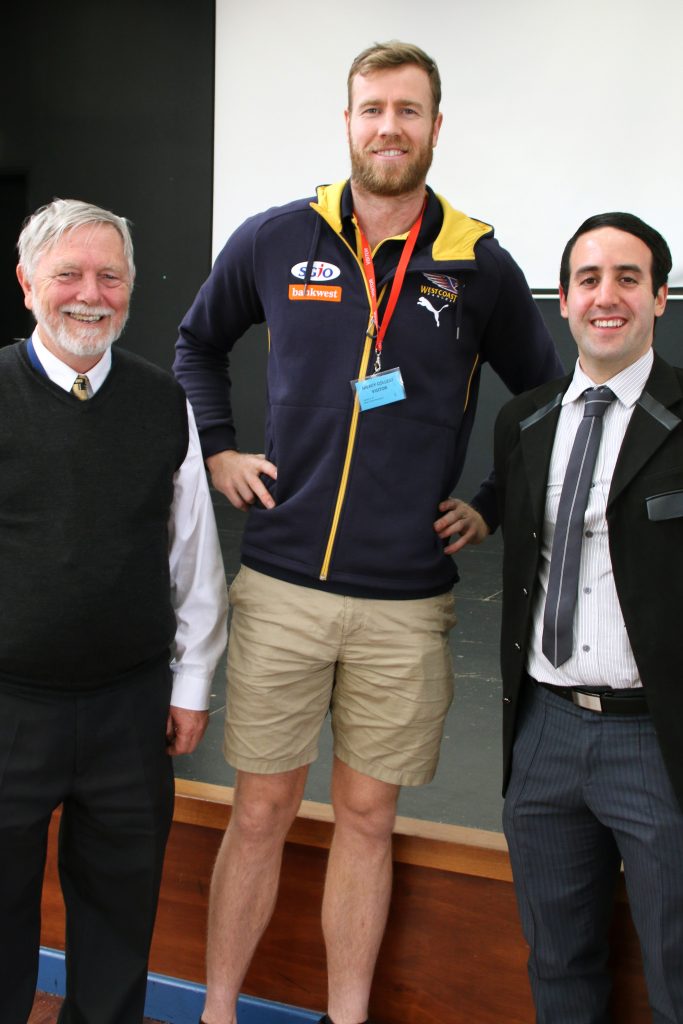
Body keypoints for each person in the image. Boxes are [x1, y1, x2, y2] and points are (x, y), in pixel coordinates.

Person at [174, 41, 562, 1024]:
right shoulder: (274, 237)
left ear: (436, 126)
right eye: (371, 109)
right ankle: (216, 1010)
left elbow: (551, 399)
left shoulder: (476, 264)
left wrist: (494, 499)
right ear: (346, 122)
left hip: (404, 605)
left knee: (366, 818)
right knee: (257, 812)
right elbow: (196, 342)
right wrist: (218, 446)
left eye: (407, 111)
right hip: (282, 589)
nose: (387, 127)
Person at [1, 198, 228, 1024]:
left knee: (118, 933)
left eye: (111, 276)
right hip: (7, 711)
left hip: (128, 715)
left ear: (131, 288)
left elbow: (193, 555)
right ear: (28, 283)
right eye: (68, 274)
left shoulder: (163, 403)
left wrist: (192, 682)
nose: (89, 294)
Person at [495, 212, 683, 1023]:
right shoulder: (525, 421)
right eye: (587, 279)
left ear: (660, 298)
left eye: (627, 278)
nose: (606, 297)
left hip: (655, 743)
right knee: (558, 963)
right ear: (563, 300)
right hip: (543, 735)